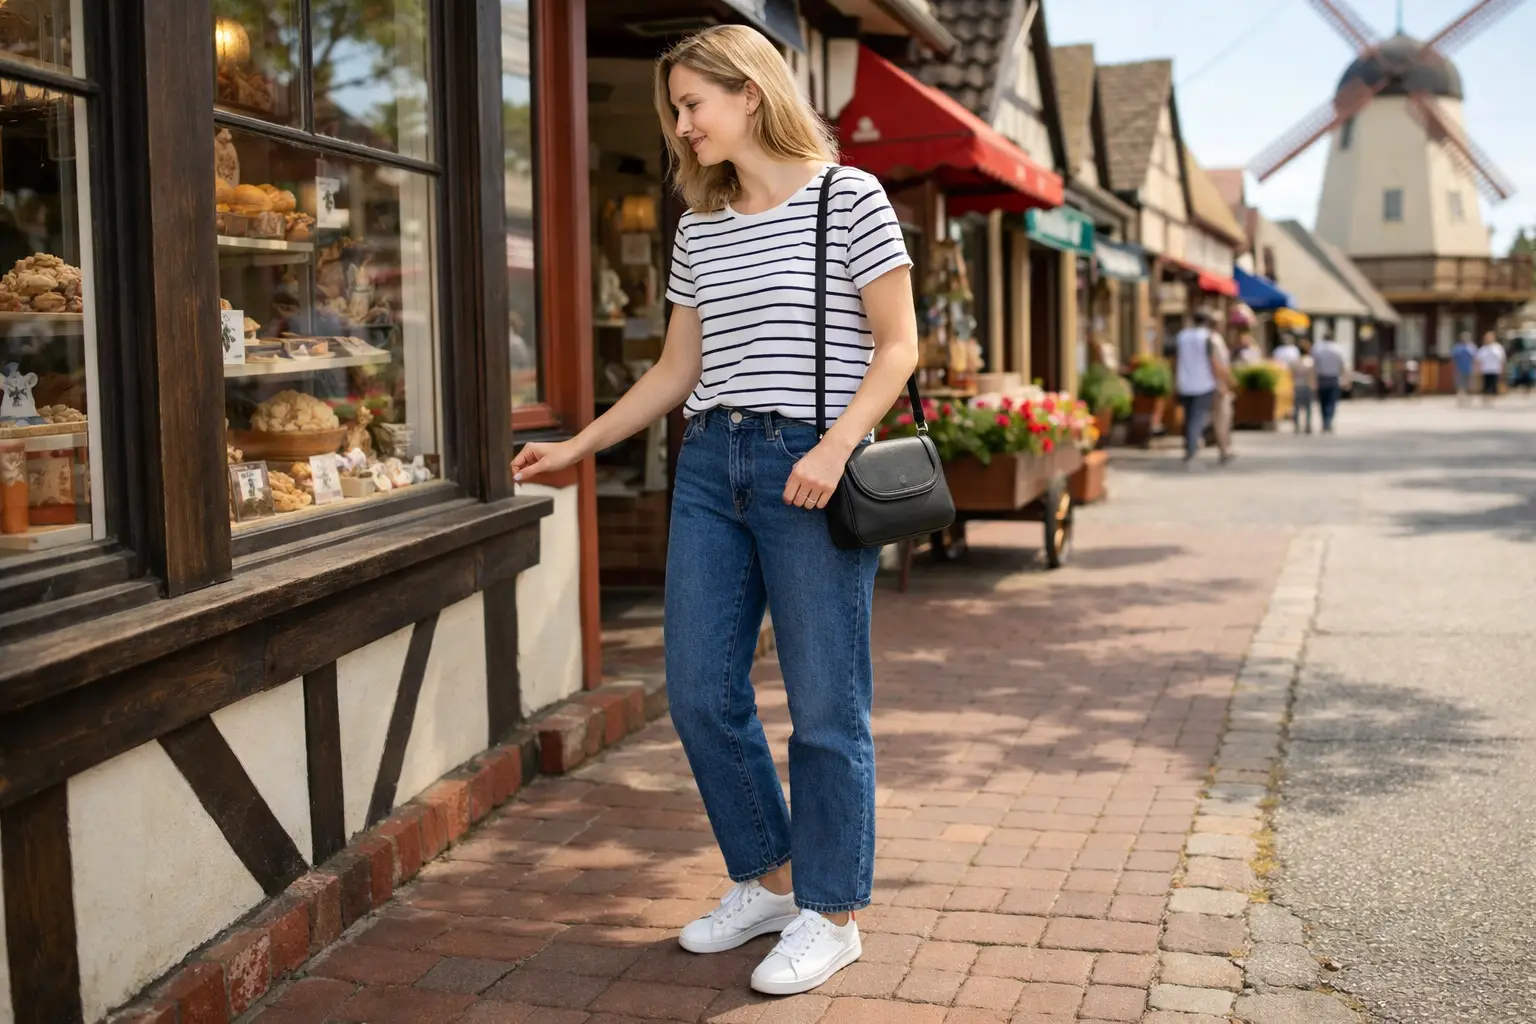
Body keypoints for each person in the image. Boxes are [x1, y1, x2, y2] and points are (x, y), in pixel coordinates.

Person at [509, 25, 918, 996]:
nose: (681, 126)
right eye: (675, 109)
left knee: (826, 707)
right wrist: (577, 442)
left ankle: (833, 911)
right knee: (698, 691)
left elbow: (897, 346)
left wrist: (834, 445)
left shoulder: (847, 197)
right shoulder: (701, 227)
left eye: (693, 104)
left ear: (750, 93)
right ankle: (774, 880)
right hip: (709, 466)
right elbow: (676, 369)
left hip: (807, 464)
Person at [1174, 310, 1235, 465]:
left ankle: (1190, 447)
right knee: (1198, 418)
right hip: (1204, 383)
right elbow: (1213, 362)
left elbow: (1175, 359)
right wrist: (1225, 381)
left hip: (1184, 382)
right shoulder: (1208, 337)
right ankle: (1192, 451)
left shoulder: (1182, 336)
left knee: (1189, 418)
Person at [1311, 332, 1346, 432]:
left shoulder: (1317, 348)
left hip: (1321, 377)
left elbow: (1314, 365)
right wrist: (1344, 378)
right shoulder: (1338, 349)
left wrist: (1312, 379)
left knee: (1322, 401)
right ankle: (1329, 420)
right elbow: (1342, 365)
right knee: (1332, 401)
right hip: (1333, 377)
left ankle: (1325, 421)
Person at [1292, 339, 1316, 434]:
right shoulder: (1310, 361)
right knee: (1308, 408)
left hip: (1297, 385)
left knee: (1296, 407)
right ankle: (1307, 425)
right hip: (1307, 386)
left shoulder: (1295, 361)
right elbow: (1312, 375)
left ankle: (1297, 426)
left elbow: (1291, 374)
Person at [1475, 330, 1506, 405]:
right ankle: (1486, 399)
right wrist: (1478, 369)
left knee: (1494, 384)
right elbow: (1479, 360)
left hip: (1495, 369)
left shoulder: (1498, 347)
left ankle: (1493, 399)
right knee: (1486, 385)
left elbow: (1502, 359)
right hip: (1486, 369)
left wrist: (1502, 369)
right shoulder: (1483, 348)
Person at [1450, 332, 1477, 406]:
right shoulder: (1458, 347)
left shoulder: (1471, 347)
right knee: (1460, 384)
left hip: (1469, 368)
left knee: (1468, 384)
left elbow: (1475, 357)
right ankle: (1460, 398)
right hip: (1459, 368)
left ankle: (1467, 397)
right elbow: (1453, 358)